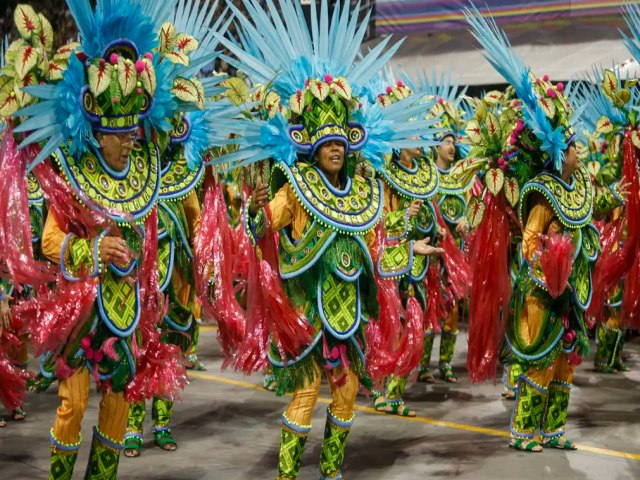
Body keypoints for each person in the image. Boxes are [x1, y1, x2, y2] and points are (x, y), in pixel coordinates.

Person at [466, 6, 600, 452]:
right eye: (574, 146)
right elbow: (529, 241)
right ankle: (525, 432)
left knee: (566, 364)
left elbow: (587, 223)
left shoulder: (579, 184)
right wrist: (551, 258)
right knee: (542, 359)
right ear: (559, 152)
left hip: (571, 291)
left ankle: (555, 430)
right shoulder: (543, 192)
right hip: (543, 290)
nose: (580, 152)